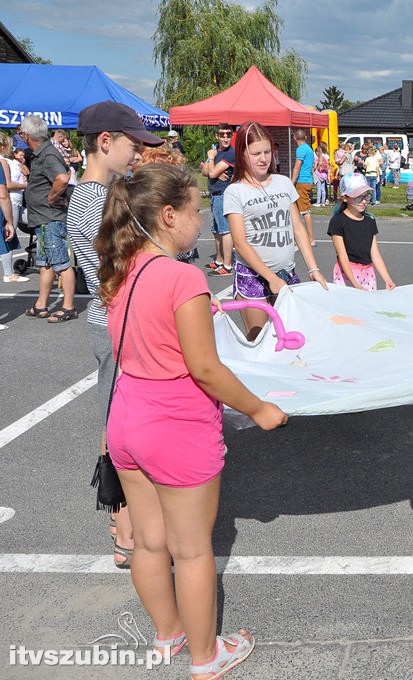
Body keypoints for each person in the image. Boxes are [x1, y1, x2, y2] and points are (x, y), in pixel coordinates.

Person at [96, 162, 287, 678]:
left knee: (150, 541)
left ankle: (168, 634)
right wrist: (259, 408)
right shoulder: (183, 277)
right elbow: (204, 367)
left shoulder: (120, 268)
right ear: (167, 216)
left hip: (127, 420)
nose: (201, 220)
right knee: (193, 551)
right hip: (175, 424)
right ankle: (207, 658)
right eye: (196, 211)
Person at [67, 101, 164, 567]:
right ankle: (124, 528)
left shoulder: (105, 193)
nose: (137, 155)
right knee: (117, 429)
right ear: (106, 142)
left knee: (123, 424)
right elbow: (114, 273)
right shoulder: (91, 200)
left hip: (122, 324)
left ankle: (127, 523)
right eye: (132, 146)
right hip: (117, 326)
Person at [224, 122, 327, 340]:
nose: (263, 158)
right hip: (252, 279)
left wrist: (313, 268)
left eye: (267, 151)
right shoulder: (235, 192)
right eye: (256, 153)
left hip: (286, 274)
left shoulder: (283, 183)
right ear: (242, 154)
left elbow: (298, 227)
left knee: (292, 338)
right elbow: (240, 243)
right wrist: (270, 278)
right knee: (259, 342)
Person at [20, 115, 77, 322]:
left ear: (26, 135)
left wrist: (52, 197)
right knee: (45, 264)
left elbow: (62, 178)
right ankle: (41, 305)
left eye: (20, 134)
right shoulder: (40, 154)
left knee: (61, 263)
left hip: (50, 219)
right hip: (43, 219)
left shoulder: (48, 155)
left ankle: (68, 307)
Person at [328, 173, 396, 291]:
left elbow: (374, 253)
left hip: (368, 274)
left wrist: (387, 279)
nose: (364, 201)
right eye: (358, 197)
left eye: (366, 196)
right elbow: (343, 256)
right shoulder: (338, 222)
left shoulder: (370, 221)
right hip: (347, 275)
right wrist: (355, 284)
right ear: (345, 197)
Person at [201, 122, 235, 276]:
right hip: (214, 195)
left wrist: (210, 160)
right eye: (222, 134)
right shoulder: (216, 153)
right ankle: (219, 260)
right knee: (216, 230)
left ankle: (227, 266)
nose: (225, 138)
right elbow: (204, 172)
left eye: (228, 134)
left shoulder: (229, 154)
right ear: (217, 136)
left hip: (223, 195)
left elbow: (212, 173)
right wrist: (211, 165)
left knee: (225, 230)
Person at [0, 133, 25, 284]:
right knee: (7, 237)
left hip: (15, 200)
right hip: (11, 201)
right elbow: (4, 192)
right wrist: (9, 221)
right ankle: (8, 273)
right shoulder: (2, 161)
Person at [289, 129, 316, 247]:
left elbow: (297, 166)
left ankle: (310, 238)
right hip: (308, 179)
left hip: (302, 181)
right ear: (305, 138)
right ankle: (301, 236)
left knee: (304, 210)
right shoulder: (309, 149)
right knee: (296, 208)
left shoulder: (300, 149)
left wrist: (291, 182)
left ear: (294, 138)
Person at [313, 142, 330, 207]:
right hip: (324, 175)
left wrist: (315, 169)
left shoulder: (316, 159)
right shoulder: (325, 158)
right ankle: (323, 202)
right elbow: (328, 167)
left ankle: (318, 202)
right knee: (323, 189)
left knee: (318, 189)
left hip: (318, 175)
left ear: (317, 152)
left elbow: (315, 167)